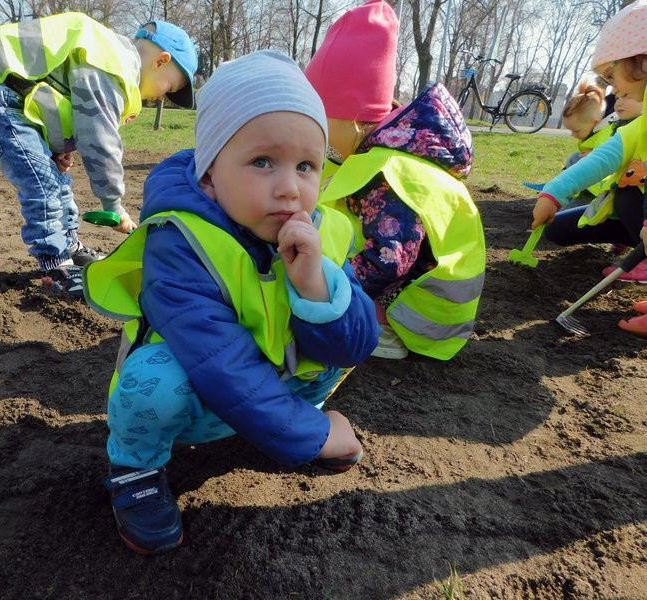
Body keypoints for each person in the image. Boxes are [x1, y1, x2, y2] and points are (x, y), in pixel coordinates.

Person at [83, 50, 379, 554]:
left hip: (271, 393)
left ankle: (280, 428)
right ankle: (136, 468)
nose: (289, 189)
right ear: (209, 174)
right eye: (263, 162)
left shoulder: (320, 231)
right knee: (153, 382)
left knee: (334, 329)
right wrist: (312, 434)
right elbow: (220, 364)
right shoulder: (179, 243)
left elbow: (357, 345)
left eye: (307, 165)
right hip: (200, 401)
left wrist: (315, 286)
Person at [0, 13, 197, 296]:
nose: (161, 98)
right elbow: (99, 137)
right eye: (169, 88)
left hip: (10, 93)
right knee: (41, 182)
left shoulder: (108, 58)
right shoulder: (113, 64)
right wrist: (113, 203)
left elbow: (52, 91)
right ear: (161, 61)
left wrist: (59, 146)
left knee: (56, 175)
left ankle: (68, 246)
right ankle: (55, 264)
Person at [304, 0, 485, 361]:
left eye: (323, 119)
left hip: (424, 317)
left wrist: (326, 286)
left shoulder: (387, 173)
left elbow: (388, 259)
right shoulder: (393, 149)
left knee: (329, 316)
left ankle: (382, 331)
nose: (317, 132)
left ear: (353, 117)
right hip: (430, 299)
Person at [531, 0, 647, 288]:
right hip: (630, 221)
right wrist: (553, 193)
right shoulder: (640, 126)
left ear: (642, 62)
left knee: (629, 193)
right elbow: (604, 157)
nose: (612, 86)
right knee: (557, 228)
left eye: (612, 73)